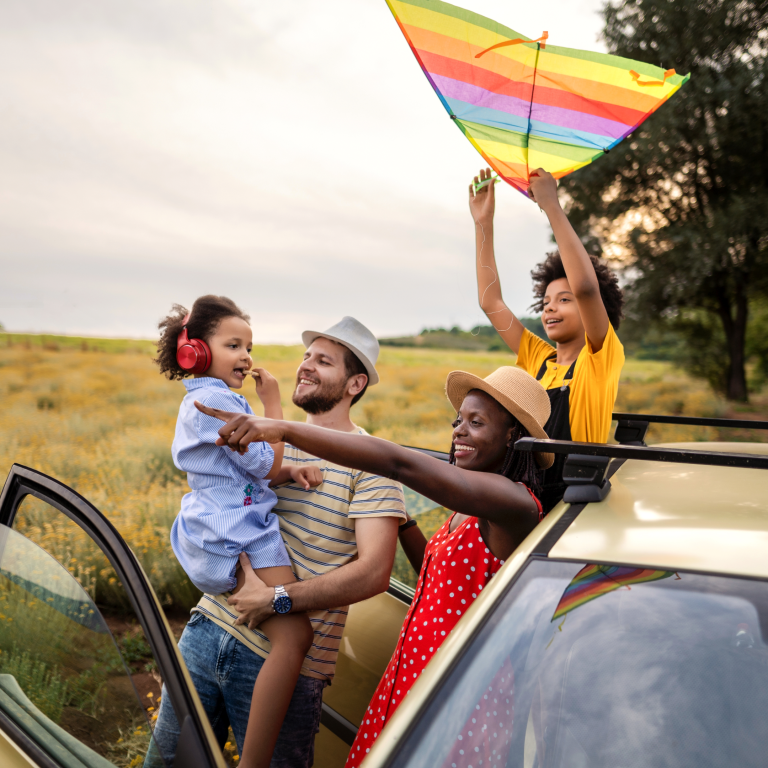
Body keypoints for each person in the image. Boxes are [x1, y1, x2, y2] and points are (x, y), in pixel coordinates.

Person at [194, 364, 553, 768]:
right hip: (418, 671)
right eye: (458, 420)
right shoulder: (468, 511)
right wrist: (399, 518)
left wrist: (284, 429)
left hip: (462, 688)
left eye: (476, 422)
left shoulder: (515, 505)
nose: (459, 431)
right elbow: (437, 581)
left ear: (511, 436)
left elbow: (400, 464)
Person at [149, 315, 407, 768]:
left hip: (289, 666)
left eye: (323, 361)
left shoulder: (373, 464)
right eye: (306, 356)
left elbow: (374, 573)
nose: (305, 366)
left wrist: (277, 600)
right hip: (207, 629)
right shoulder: (260, 433)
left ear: (355, 383)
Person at [152, 295, 318, 768]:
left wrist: (290, 473)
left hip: (209, 532)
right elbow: (266, 463)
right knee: (296, 638)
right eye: (233, 345)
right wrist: (272, 405)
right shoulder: (224, 403)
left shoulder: (197, 401)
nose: (246, 356)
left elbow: (242, 471)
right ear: (197, 352)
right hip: (241, 535)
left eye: (249, 346)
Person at [469, 167, 625, 513]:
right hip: (526, 498)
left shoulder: (600, 356)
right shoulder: (537, 357)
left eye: (564, 300)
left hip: (575, 504)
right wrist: (483, 224)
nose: (551, 307)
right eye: (546, 302)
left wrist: (552, 205)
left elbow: (586, 286)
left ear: (592, 307)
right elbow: (490, 303)